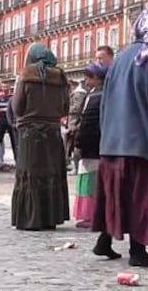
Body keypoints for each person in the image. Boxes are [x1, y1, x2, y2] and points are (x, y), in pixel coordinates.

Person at [92, 8, 148, 269]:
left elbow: (105, 103)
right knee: (141, 199)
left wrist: (106, 137)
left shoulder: (119, 58)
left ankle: (104, 241)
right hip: (142, 145)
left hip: (113, 143)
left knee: (115, 194)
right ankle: (138, 252)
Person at [11, 43, 69, 231]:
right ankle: (49, 218)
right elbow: (65, 108)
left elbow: (17, 107)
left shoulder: (26, 77)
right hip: (52, 132)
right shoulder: (60, 78)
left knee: (30, 175)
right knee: (50, 175)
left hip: (30, 133)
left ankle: (30, 218)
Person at [73, 62, 108, 229]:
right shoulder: (101, 93)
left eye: (87, 78)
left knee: (89, 180)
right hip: (100, 144)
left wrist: (78, 143)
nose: (85, 82)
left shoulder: (95, 96)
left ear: (95, 78)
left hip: (91, 146)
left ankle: (90, 214)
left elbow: (88, 123)